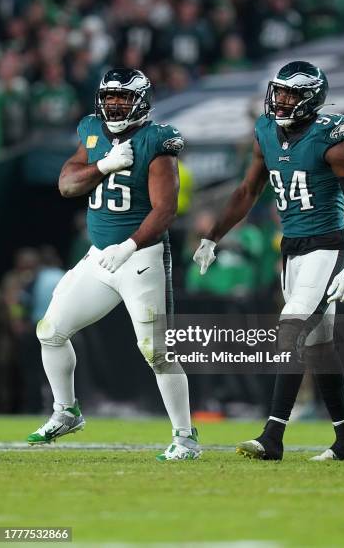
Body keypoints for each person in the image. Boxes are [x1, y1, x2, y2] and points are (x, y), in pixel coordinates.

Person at [193, 60, 344, 461]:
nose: (282, 100)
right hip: (291, 250)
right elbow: (247, 190)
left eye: (292, 94)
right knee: (319, 346)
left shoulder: (334, 138)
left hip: (327, 247)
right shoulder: (265, 131)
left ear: (312, 99)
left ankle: (272, 435)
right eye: (280, 91)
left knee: (291, 328)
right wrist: (212, 235)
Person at [27, 68, 201, 461]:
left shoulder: (157, 140)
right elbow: (67, 185)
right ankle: (66, 411)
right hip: (100, 257)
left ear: (140, 101)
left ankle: (186, 437)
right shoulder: (91, 130)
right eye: (110, 97)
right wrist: (103, 165)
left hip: (141, 257)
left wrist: (130, 244)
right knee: (50, 331)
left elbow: (166, 209)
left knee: (156, 350)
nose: (114, 105)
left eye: (123, 98)